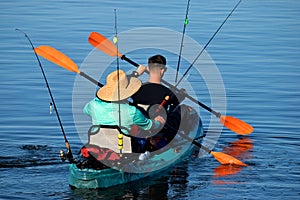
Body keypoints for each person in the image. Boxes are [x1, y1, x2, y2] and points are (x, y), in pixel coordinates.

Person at [83, 69, 165, 153]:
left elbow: (86, 110)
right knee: (149, 137)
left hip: (98, 147)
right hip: (124, 149)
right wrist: (159, 122)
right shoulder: (132, 111)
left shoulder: (92, 105)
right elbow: (148, 126)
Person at [131, 55, 186, 152]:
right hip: (158, 128)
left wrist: (136, 73)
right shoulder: (167, 92)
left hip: (140, 126)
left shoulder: (136, 89)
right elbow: (175, 103)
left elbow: (122, 86)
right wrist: (182, 95)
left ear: (148, 68)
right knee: (180, 111)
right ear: (163, 70)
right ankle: (167, 139)